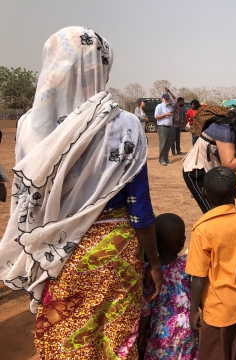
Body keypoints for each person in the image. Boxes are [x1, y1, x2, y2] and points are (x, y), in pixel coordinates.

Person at [0, 26, 162, 359]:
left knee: (66, 338)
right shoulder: (125, 126)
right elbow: (138, 208)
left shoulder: (28, 126)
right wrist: (155, 263)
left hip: (54, 255)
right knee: (115, 340)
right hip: (115, 253)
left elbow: (26, 200)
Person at [186, 166, 236, 360]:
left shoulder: (202, 229)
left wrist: (194, 310)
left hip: (216, 309)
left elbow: (199, 276)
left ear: (203, 192)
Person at [138, 213, 199, 360]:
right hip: (187, 328)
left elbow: (146, 308)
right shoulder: (188, 265)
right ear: (182, 241)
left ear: (154, 243)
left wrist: (141, 334)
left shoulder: (149, 272)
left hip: (161, 333)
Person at [155, 93, 174, 166]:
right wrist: (165, 114)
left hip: (169, 127)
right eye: (165, 99)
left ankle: (166, 158)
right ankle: (162, 159)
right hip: (162, 127)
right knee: (163, 144)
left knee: (168, 144)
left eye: (168, 98)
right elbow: (156, 117)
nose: (167, 100)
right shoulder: (159, 106)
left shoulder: (169, 107)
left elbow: (175, 102)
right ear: (162, 99)